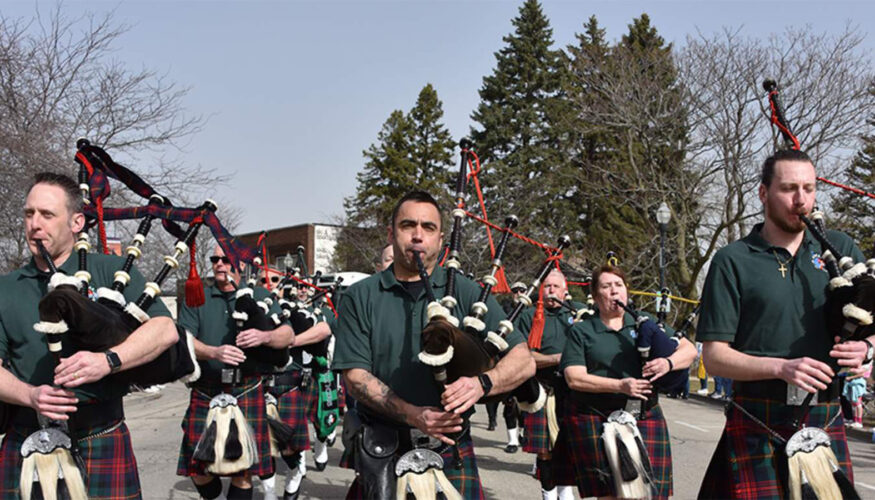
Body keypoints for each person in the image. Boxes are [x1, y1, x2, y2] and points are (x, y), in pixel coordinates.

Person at [333, 190, 536, 498]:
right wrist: (413, 414)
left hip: (452, 449)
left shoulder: (469, 293)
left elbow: (524, 360)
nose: (418, 236)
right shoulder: (361, 296)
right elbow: (355, 376)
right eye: (408, 225)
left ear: (441, 240)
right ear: (391, 234)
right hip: (382, 447)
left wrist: (483, 382)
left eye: (428, 228)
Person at [697, 149, 872, 499]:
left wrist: (865, 349)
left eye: (809, 188)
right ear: (763, 193)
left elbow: (870, 321)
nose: (801, 200)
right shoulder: (733, 260)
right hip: (759, 416)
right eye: (789, 188)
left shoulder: (839, 249)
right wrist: (781, 367)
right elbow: (714, 357)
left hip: (824, 412)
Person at [0, 172, 179, 498]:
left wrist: (109, 360)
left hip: (100, 434)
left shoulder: (110, 271)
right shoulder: (5, 288)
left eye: (47, 214)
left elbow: (164, 329)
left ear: (77, 222)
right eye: (29, 213)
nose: (34, 224)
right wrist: (30, 395)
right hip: (27, 438)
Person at [560, 265, 696, 499]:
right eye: (606, 286)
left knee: (652, 494)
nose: (614, 291)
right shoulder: (582, 331)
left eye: (619, 285)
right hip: (597, 417)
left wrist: (668, 363)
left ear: (627, 291)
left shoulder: (646, 323)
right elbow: (574, 377)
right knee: (610, 495)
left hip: (644, 415)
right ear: (595, 294)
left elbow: (689, 350)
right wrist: (620, 385)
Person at [177, 246, 294, 500]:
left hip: (246, 389)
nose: (219, 264)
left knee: (241, 471)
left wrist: (266, 335)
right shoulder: (198, 297)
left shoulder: (260, 295)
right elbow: (183, 339)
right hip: (206, 389)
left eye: (226, 259)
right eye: (215, 259)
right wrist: (212, 352)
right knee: (198, 468)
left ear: (240, 265)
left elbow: (288, 334)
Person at [514, 269, 580, 500]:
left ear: (565, 291)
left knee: (568, 448)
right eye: (547, 286)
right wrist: (559, 358)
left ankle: (566, 493)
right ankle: (549, 495)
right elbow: (522, 357)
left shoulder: (579, 314)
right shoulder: (528, 315)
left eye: (555, 287)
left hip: (571, 391)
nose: (550, 290)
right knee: (545, 453)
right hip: (540, 390)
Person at [485, 281, 528, 451]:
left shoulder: (534, 311)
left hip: (529, 358)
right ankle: (512, 441)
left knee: (527, 402)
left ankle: (523, 433)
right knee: (509, 403)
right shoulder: (503, 309)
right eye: (515, 290)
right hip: (507, 356)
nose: (518, 292)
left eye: (521, 290)